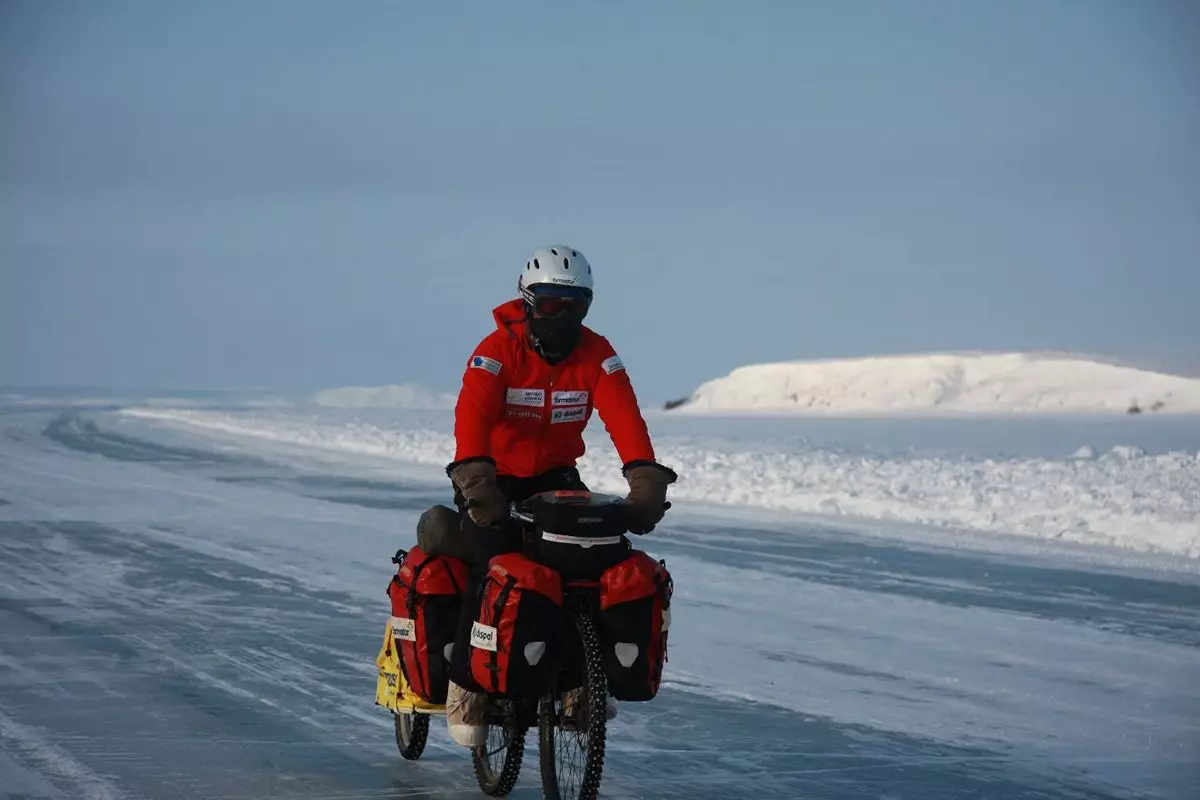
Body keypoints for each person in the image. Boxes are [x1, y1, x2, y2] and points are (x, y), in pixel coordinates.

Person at [441, 244, 677, 747]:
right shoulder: (495, 351)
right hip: (492, 477)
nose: (562, 315)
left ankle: (576, 683)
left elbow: (626, 419)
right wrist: (479, 487)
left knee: (591, 560)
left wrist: (646, 482)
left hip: (555, 479)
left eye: (575, 305)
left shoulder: (597, 354)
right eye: (550, 304)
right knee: (489, 563)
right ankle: (466, 688)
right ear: (527, 301)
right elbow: (472, 419)